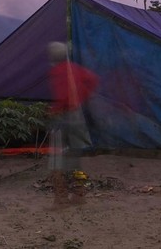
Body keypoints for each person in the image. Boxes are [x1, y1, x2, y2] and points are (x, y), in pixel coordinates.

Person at [46, 42, 99, 206]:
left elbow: (62, 96)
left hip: (63, 117)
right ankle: (79, 194)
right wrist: (83, 96)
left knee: (57, 159)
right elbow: (93, 79)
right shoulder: (76, 68)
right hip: (78, 115)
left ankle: (60, 197)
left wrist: (53, 111)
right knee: (76, 158)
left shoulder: (57, 71)